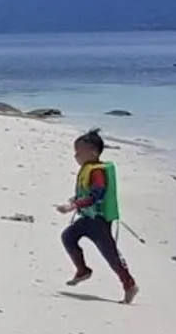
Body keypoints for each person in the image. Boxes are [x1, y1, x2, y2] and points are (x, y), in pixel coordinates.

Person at [57, 129, 137, 304]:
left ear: (93, 152)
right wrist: (76, 199)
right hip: (87, 219)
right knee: (68, 236)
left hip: (98, 222)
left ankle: (129, 285)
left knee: (111, 256)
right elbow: (86, 193)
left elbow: (96, 196)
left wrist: (73, 205)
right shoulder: (88, 169)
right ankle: (83, 270)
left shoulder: (97, 172)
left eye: (79, 152)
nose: (75, 156)